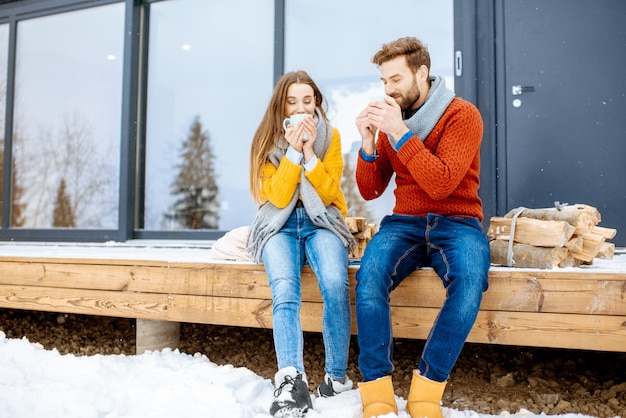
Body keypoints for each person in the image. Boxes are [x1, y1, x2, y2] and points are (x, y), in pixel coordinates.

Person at [353, 37, 491, 418]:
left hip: (459, 221)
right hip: (406, 223)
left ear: (422, 73)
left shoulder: (462, 115)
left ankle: (427, 393)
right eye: (384, 81)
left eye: (395, 79)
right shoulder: (392, 119)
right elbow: (370, 188)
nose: (388, 89)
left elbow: (442, 182)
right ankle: (377, 390)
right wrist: (368, 144)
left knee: (470, 280)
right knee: (369, 276)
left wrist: (398, 133)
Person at [246, 70, 356, 418]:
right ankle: (291, 380)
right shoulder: (266, 141)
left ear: (316, 103)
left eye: (307, 101)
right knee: (285, 290)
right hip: (278, 225)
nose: (301, 108)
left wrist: (310, 154)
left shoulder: (330, 137)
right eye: (292, 102)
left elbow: (326, 193)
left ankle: (336, 377)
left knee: (336, 284)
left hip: (320, 220)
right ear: (282, 108)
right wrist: (293, 153)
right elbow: (276, 197)